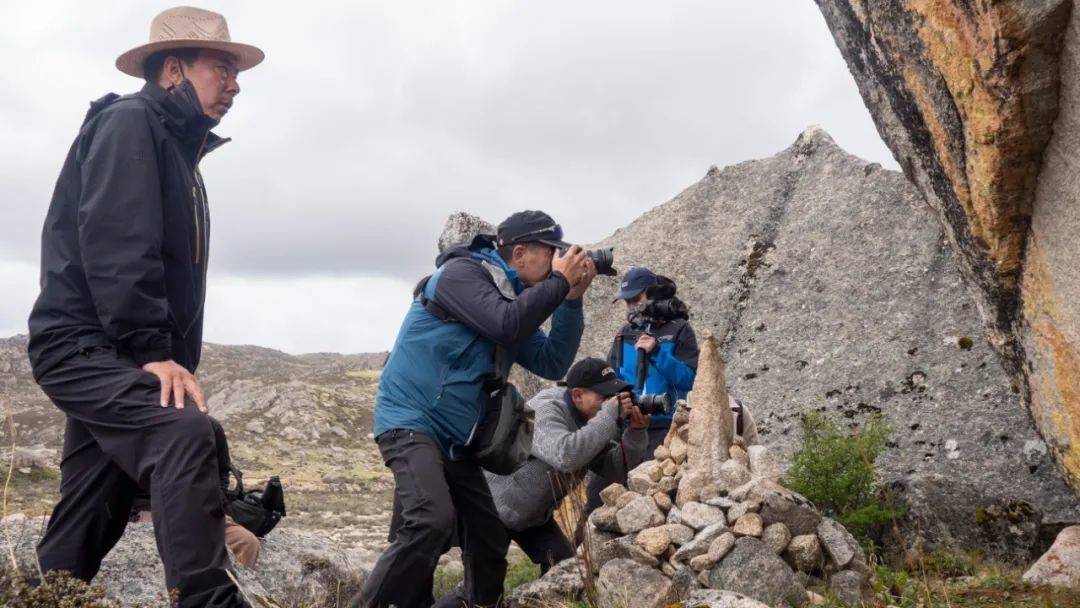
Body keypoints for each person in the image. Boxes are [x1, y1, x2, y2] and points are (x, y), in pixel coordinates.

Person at [25, 7, 263, 607]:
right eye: (221, 69)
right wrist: (153, 351)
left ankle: (45, 594)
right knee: (184, 431)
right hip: (87, 346)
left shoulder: (177, 150)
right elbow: (118, 241)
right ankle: (209, 600)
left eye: (236, 73)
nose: (234, 85)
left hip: (112, 349)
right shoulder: (131, 124)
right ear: (174, 69)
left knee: (94, 499)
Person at [356, 211, 596, 608]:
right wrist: (558, 282)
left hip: (456, 440)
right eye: (550, 252)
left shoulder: (509, 300)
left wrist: (571, 301)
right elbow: (505, 324)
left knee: (487, 542)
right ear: (519, 253)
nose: (557, 260)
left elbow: (553, 362)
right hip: (411, 420)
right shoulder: (462, 275)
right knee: (430, 520)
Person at [476, 358, 649, 583]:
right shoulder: (544, 409)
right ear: (577, 395)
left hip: (533, 518)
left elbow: (617, 468)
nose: (610, 402)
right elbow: (565, 456)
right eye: (603, 397)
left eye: (612, 396)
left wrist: (636, 431)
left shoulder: (589, 419)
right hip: (492, 509)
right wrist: (608, 416)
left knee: (565, 572)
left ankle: (539, 599)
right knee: (483, 589)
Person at [584, 267, 699, 512]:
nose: (631, 306)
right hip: (626, 425)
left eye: (636, 299)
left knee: (649, 497)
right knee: (596, 495)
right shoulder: (623, 334)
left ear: (654, 294)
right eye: (627, 302)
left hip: (664, 428)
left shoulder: (679, 329)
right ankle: (585, 536)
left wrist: (657, 352)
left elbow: (691, 380)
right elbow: (611, 378)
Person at [130, 418, 261, 568]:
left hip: (200, 510)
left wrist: (212, 505)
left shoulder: (209, 427)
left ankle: (233, 582)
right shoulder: (143, 424)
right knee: (184, 545)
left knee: (247, 542)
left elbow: (222, 473)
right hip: (152, 511)